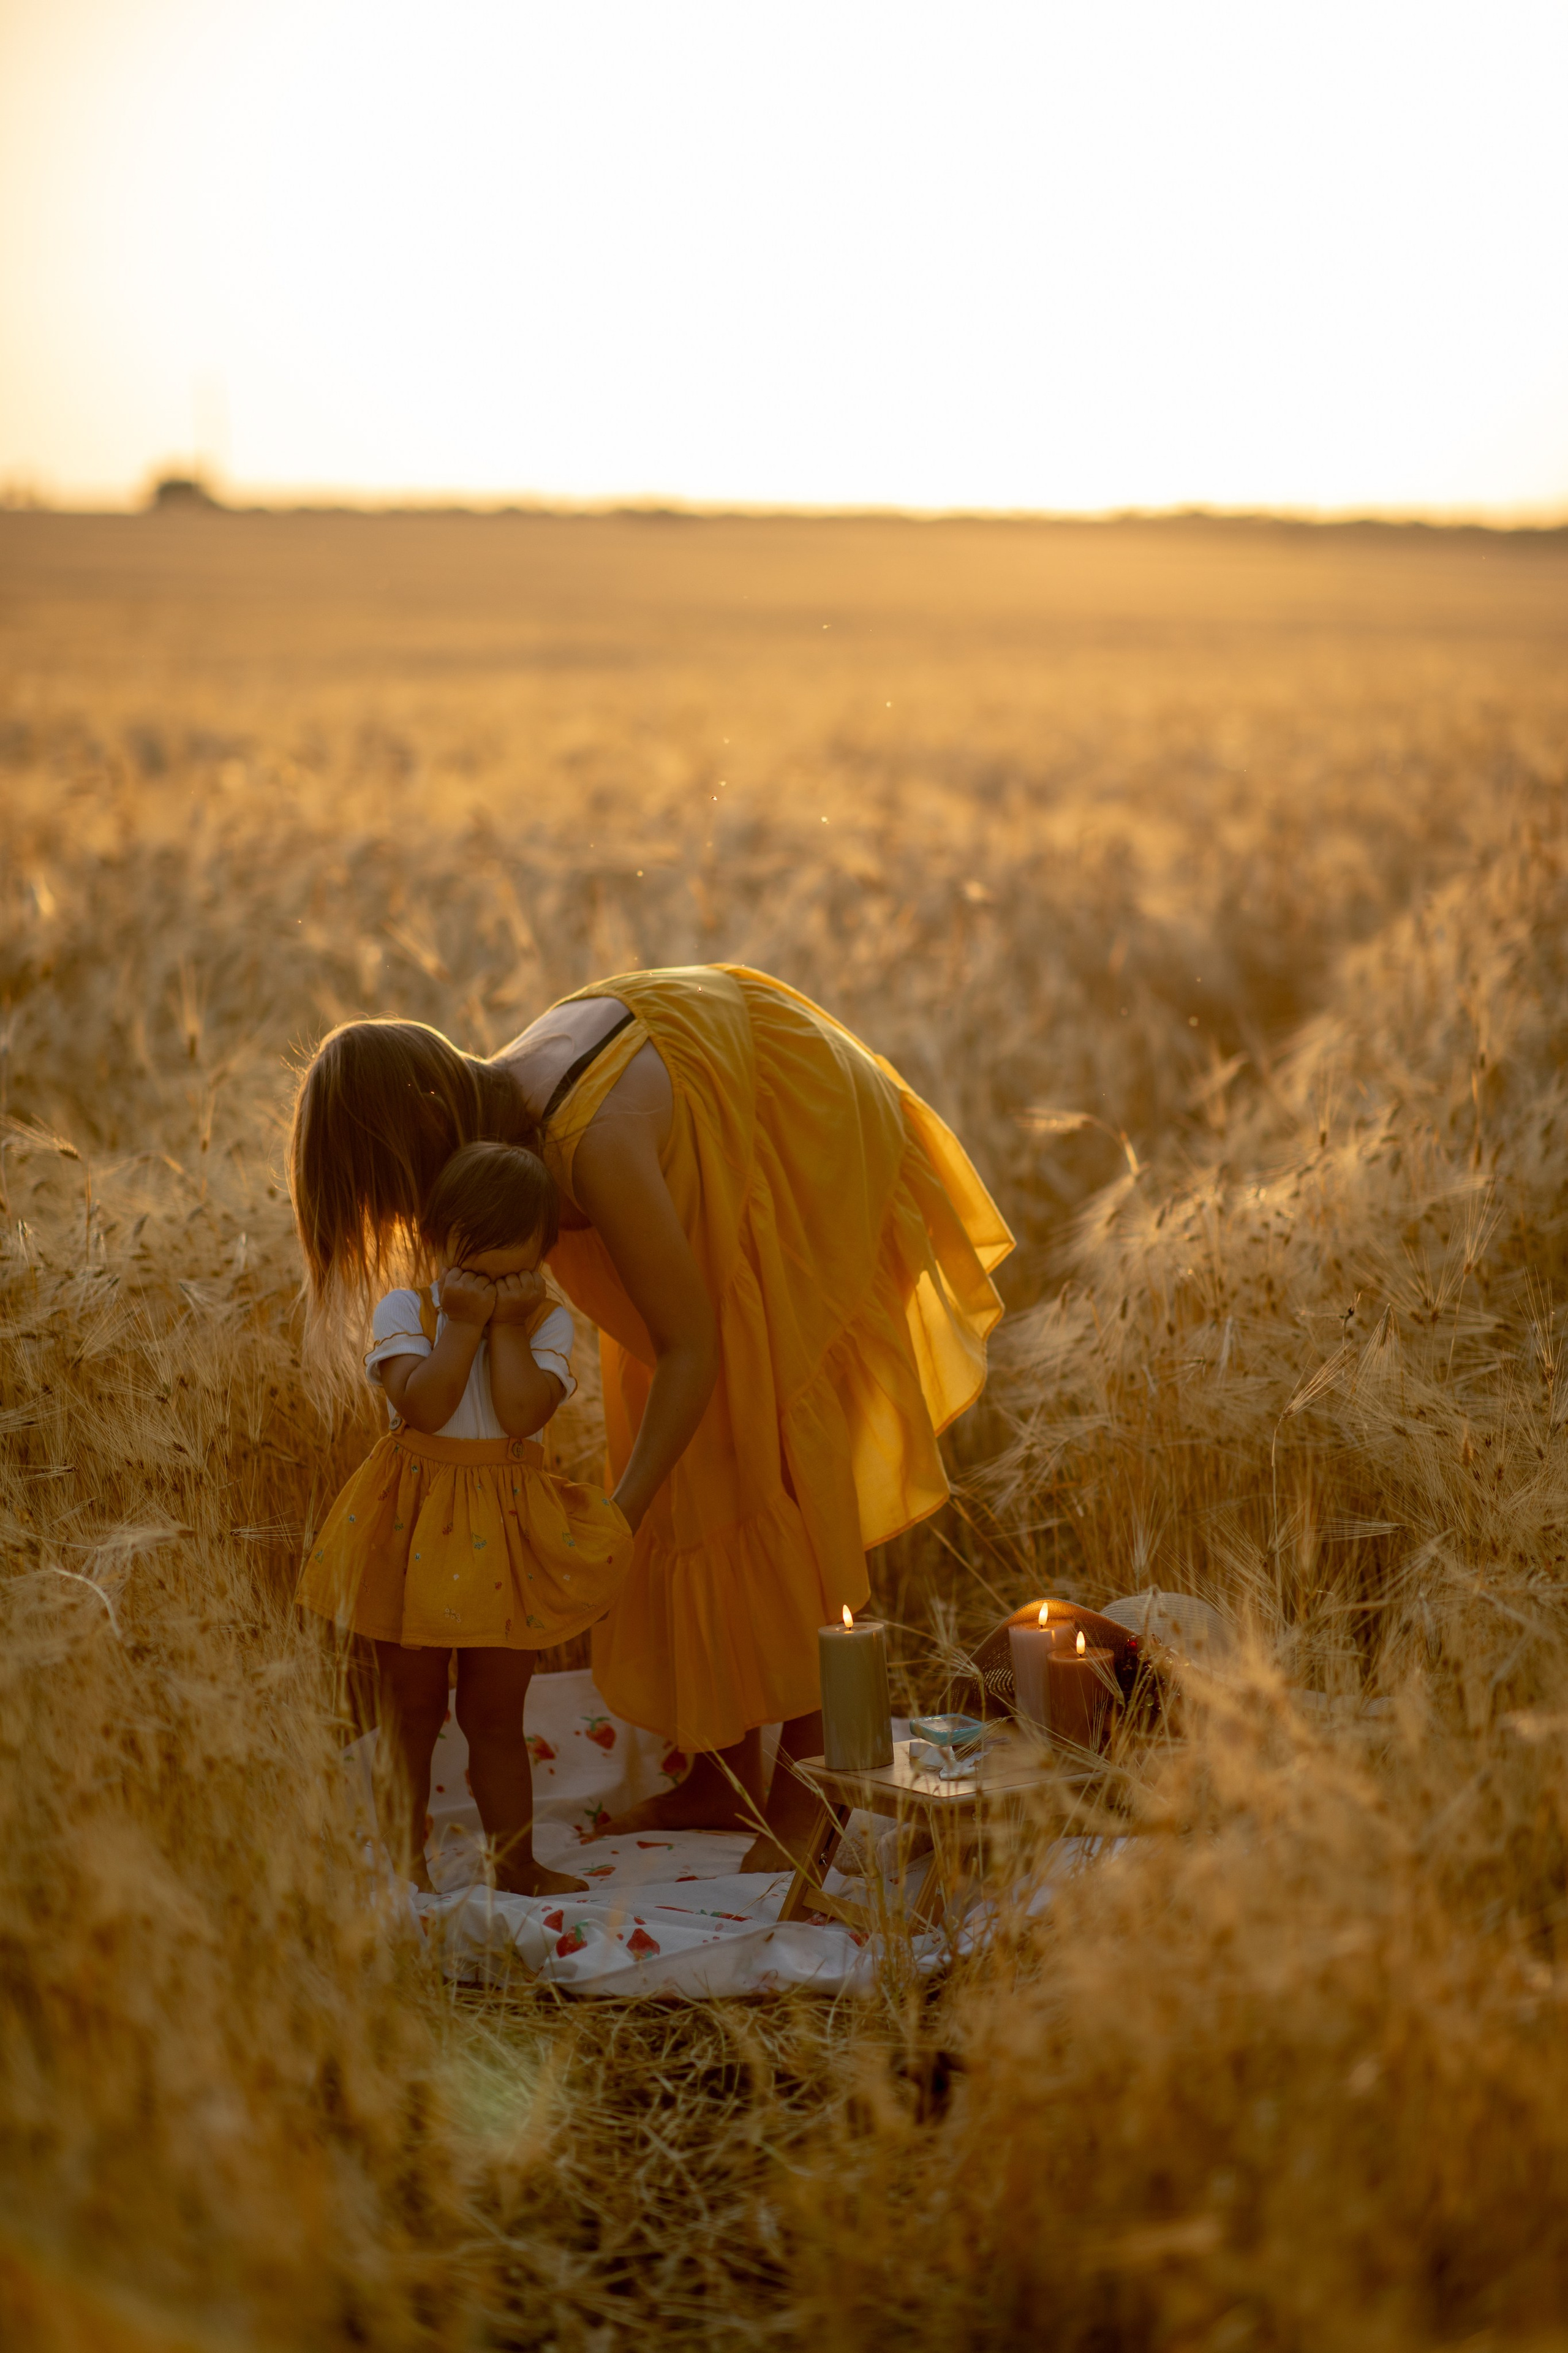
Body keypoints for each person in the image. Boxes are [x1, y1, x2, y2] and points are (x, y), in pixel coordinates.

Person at [289, 964, 1012, 1870]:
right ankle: (717, 1775)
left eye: (400, 1197)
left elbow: (694, 1349)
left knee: (768, 1450)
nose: (415, 1221)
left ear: (429, 1133)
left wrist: (621, 1515)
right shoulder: (505, 1125)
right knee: (674, 1448)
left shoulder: (592, 1141)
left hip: (805, 1134)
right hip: (713, 1102)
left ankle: (808, 1785)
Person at [298, 1138, 631, 1897]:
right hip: (414, 1523)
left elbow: (519, 1412)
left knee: (494, 1711)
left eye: (510, 1274)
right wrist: (461, 1324)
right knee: (410, 1707)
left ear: (543, 1259)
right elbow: (426, 1403)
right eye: (472, 1270)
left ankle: (514, 1862)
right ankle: (402, 1861)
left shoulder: (545, 1324)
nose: (488, 1288)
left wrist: (503, 1323)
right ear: (435, 1242)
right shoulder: (404, 1310)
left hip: (507, 1532)